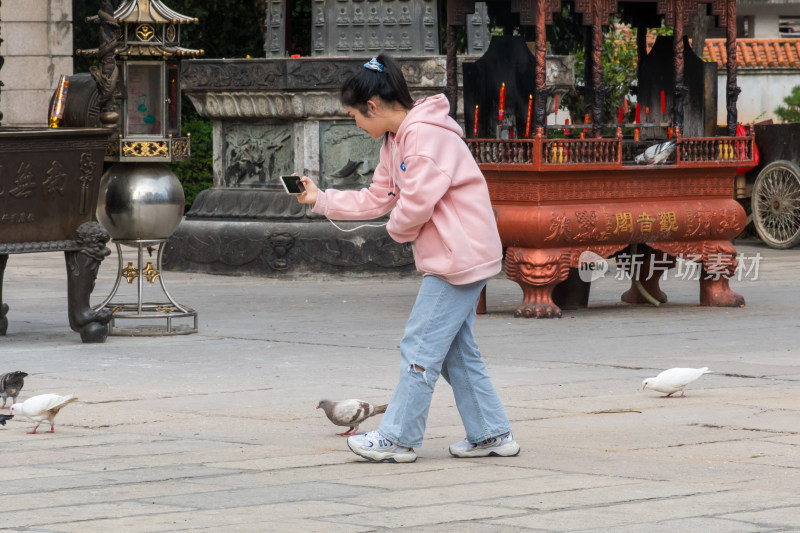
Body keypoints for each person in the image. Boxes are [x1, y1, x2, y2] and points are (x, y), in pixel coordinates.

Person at [295, 53, 519, 463]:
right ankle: (491, 434)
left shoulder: (424, 135)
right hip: (459, 253)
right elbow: (380, 196)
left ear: (374, 106)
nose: (357, 125)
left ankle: (399, 437)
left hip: (458, 258)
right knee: (453, 351)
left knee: (419, 345)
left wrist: (398, 231)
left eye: (355, 116)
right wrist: (321, 198)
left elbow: (415, 204)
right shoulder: (396, 138)